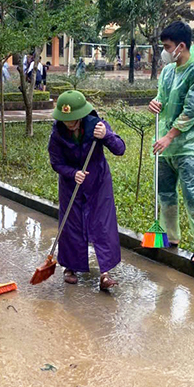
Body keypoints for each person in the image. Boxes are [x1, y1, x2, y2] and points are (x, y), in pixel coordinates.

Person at [149, 21, 194, 266]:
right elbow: (163, 98)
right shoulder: (169, 71)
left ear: (181, 46)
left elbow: (191, 111)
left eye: (167, 46)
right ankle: (171, 237)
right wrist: (155, 103)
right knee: (165, 192)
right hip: (166, 143)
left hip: (189, 144)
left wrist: (169, 137)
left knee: (192, 192)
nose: (164, 51)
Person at [48, 91, 126, 290]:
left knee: (102, 224)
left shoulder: (97, 125)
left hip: (98, 183)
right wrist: (72, 173)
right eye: (66, 119)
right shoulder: (57, 133)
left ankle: (105, 273)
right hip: (71, 184)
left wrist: (106, 136)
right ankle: (70, 267)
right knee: (71, 225)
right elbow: (56, 163)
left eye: (74, 119)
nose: (70, 123)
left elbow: (120, 149)